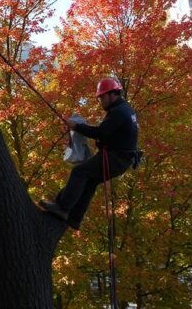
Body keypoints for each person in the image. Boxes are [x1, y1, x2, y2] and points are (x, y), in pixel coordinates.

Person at [39, 77, 139, 230]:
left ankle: (62, 207)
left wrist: (76, 126)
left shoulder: (119, 111)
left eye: (102, 97)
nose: (100, 101)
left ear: (112, 94)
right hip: (121, 159)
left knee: (79, 172)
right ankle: (74, 218)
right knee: (90, 181)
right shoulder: (124, 109)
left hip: (117, 158)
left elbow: (100, 132)